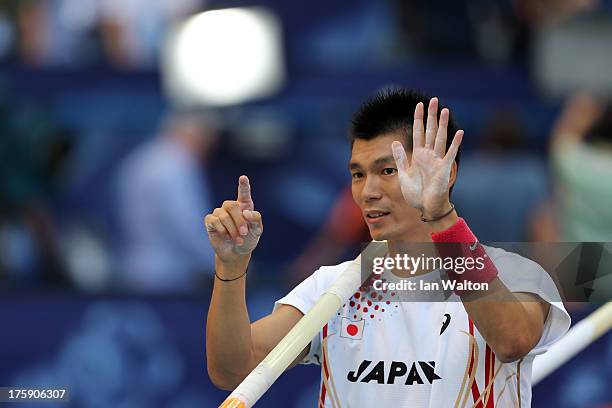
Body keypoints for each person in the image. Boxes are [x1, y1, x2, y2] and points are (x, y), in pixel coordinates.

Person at [205, 89, 570, 407]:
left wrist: (439, 213)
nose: (368, 192)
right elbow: (232, 369)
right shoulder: (333, 286)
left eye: (387, 171)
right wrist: (232, 267)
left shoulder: (516, 273)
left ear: (448, 173)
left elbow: (512, 341)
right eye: (358, 174)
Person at [116, 110, 217, 292]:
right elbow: (186, 225)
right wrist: (224, 264)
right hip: (168, 275)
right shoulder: (177, 165)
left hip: (134, 266)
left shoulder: (140, 159)